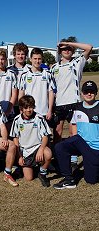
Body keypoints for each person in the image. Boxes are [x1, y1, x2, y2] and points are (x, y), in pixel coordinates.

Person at [51, 39, 92, 168]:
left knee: (73, 133)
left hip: (74, 103)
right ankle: (58, 157)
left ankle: (73, 159)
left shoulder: (77, 62)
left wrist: (70, 43)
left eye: (68, 48)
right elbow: (52, 88)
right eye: (64, 49)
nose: (67, 50)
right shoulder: (54, 67)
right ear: (60, 51)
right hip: (59, 104)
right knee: (57, 133)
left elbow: (89, 47)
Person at [53, 81, 99, 189]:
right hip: (80, 143)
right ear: (82, 93)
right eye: (86, 92)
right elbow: (73, 124)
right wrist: (74, 137)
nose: (89, 94)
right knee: (60, 146)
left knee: (91, 180)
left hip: (95, 149)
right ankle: (69, 179)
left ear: (96, 93)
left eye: (91, 92)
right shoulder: (77, 107)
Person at [10, 95, 52, 187]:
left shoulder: (39, 118)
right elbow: (15, 138)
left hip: (37, 147)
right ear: (21, 108)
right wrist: (19, 156)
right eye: (26, 108)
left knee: (48, 153)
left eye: (31, 107)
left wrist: (41, 149)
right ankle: (22, 168)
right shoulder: (17, 120)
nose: (28, 110)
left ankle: (42, 173)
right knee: (29, 178)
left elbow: (45, 136)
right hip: (25, 151)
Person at [19, 48, 55, 122]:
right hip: (28, 111)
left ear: (42, 59)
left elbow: (51, 93)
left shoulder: (48, 74)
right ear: (30, 59)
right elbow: (21, 94)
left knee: (44, 133)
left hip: (44, 112)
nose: (37, 61)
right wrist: (21, 110)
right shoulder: (24, 75)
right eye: (35, 58)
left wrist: (50, 110)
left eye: (39, 59)